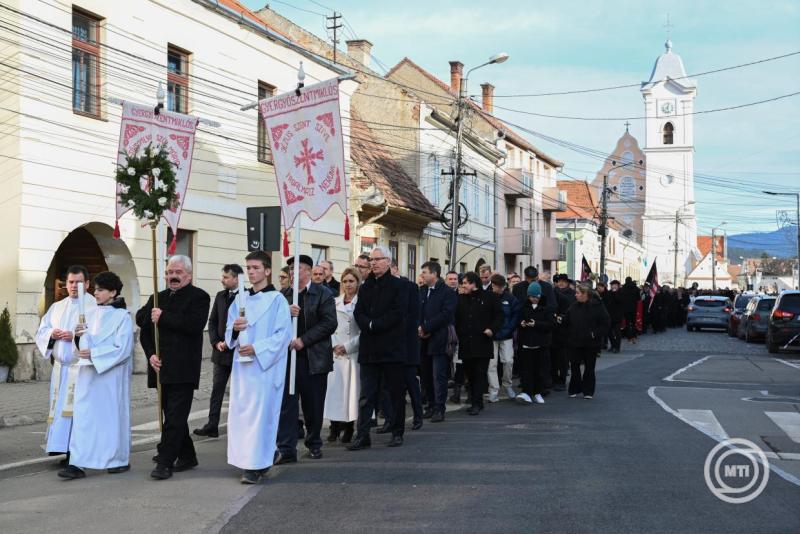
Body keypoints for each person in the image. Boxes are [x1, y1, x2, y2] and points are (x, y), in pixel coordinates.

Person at [136, 255, 210, 480]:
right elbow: (144, 328)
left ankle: (165, 461)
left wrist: (164, 316)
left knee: (175, 418)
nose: (173, 277)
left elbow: (194, 325)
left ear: (188, 274)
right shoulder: (158, 298)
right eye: (169, 272)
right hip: (160, 368)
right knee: (172, 416)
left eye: (178, 272)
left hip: (183, 369)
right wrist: (150, 355)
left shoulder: (200, 297)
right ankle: (187, 455)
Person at [56, 271, 132, 479]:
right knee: (84, 419)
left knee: (108, 419)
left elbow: (123, 349)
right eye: (95, 289)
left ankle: (116, 459)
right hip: (87, 375)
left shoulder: (123, 317)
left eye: (100, 289)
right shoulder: (88, 313)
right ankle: (78, 463)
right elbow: (80, 347)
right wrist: (78, 337)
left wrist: (95, 353)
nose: (95, 293)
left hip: (109, 378)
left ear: (113, 292)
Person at [225, 251, 292, 484]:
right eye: (248, 268)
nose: (251, 272)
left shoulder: (277, 300)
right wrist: (234, 330)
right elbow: (229, 333)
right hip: (242, 368)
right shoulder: (239, 299)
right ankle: (251, 459)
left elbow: (283, 335)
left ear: (267, 270)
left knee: (261, 416)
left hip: (265, 367)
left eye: (255, 267)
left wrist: (257, 348)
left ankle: (254, 465)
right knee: (242, 415)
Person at [275, 254, 337, 463]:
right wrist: (285, 312)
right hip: (287, 357)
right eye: (291, 269)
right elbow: (273, 324)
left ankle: (314, 442)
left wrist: (304, 340)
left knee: (313, 405)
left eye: (298, 268)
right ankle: (286, 448)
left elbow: (329, 323)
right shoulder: (283, 296)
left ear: (309, 271)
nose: (293, 272)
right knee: (287, 404)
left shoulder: (323, 294)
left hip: (313, 358)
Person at [35, 265, 97, 466]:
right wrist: (52, 335)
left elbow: (98, 335)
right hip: (60, 369)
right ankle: (60, 447)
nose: (73, 286)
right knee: (59, 409)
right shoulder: (57, 306)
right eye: (70, 282)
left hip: (80, 369)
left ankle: (76, 453)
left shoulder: (94, 306)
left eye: (78, 282)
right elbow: (42, 330)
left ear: (87, 284)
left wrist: (75, 336)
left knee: (77, 411)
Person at [348, 246, 409, 450]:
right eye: (371, 260)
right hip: (370, 349)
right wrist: (368, 324)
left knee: (395, 393)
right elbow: (359, 311)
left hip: (392, 347)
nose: (373, 263)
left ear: (388, 261)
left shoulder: (398, 286)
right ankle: (363, 434)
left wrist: (376, 325)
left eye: (377, 259)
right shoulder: (365, 287)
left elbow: (398, 313)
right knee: (366, 395)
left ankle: (397, 431)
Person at [195, 264, 244, 439]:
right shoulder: (220, 296)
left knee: (241, 391)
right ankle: (212, 425)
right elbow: (213, 321)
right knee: (217, 389)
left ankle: (240, 426)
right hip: (221, 351)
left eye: (225, 277)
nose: (221, 280)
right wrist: (216, 342)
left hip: (240, 351)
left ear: (236, 278)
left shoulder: (248, 297)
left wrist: (234, 342)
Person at [455, 272, 504, 416]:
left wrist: (492, 329)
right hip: (466, 342)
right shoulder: (461, 299)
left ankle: (476, 403)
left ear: (473, 284)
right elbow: (456, 318)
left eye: (465, 283)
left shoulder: (490, 297)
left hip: (482, 342)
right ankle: (476, 401)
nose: (463, 286)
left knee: (480, 373)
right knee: (470, 374)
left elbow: (499, 315)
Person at [323, 267, 361, 443]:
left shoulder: (361, 303)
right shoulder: (334, 302)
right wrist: (333, 345)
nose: (347, 285)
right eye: (345, 281)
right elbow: (327, 324)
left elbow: (363, 332)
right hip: (335, 354)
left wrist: (347, 346)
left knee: (351, 394)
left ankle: (349, 427)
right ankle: (334, 426)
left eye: (351, 281)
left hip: (352, 353)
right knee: (334, 393)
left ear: (357, 282)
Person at [419, 261, 456, 422]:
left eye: (425, 272)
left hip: (439, 339)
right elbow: (415, 311)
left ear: (434, 274)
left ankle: (440, 408)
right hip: (422, 339)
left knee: (438, 375)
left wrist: (427, 328)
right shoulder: (421, 291)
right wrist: (420, 328)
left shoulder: (447, 292)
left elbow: (446, 314)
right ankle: (431, 405)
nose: (423, 275)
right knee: (426, 375)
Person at [563, 283, 610, 400]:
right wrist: (561, 321)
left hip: (591, 343)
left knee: (589, 367)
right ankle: (574, 388)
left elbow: (606, 323)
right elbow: (566, 321)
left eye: (578, 293)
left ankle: (588, 390)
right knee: (574, 366)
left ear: (585, 294)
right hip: (574, 342)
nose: (576, 295)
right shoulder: (573, 306)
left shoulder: (597, 306)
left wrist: (595, 334)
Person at [516, 282, 554, 405]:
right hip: (526, 343)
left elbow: (550, 325)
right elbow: (518, 319)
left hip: (540, 343)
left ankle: (538, 392)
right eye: (532, 297)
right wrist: (521, 323)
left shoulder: (546, 308)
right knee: (526, 369)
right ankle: (527, 392)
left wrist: (536, 324)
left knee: (539, 370)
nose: (534, 299)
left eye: (536, 297)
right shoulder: (523, 307)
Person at [488, 274, 520, 402]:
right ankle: (493, 390)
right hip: (491, 336)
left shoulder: (511, 298)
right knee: (491, 364)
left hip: (506, 335)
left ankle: (507, 385)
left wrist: (508, 330)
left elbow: (515, 316)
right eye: (497, 287)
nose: (500, 289)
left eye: (502, 287)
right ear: (493, 286)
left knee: (508, 361)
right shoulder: (488, 297)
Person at [550, 274, 574, 391]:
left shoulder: (571, 294)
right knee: (553, 357)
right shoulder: (553, 292)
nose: (561, 283)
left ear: (567, 283)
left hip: (565, 330)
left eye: (564, 281)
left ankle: (562, 379)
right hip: (553, 330)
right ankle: (553, 379)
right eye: (559, 281)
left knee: (563, 358)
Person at [619, 277, 640, 343]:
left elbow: (621, 299)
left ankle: (629, 336)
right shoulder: (636, 288)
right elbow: (638, 298)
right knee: (633, 322)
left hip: (626, 308)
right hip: (634, 307)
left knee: (627, 323)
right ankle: (634, 335)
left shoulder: (623, 288)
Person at [606, 280, 624, 353]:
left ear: (618, 286)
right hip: (610, 315)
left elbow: (619, 301)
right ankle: (613, 345)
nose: (613, 286)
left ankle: (617, 347)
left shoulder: (621, 292)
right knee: (609, 332)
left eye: (615, 285)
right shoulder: (609, 292)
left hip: (617, 315)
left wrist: (615, 293)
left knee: (617, 332)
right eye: (612, 285)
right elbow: (607, 302)